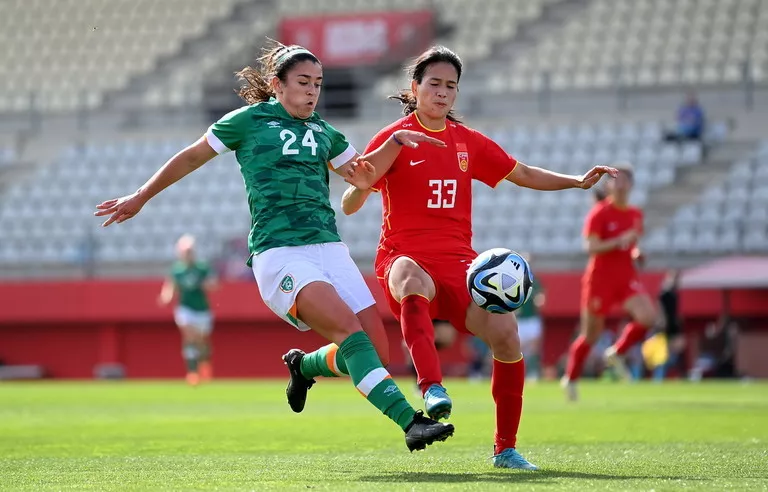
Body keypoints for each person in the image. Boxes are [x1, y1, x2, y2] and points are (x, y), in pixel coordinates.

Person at [95, 41, 454, 452]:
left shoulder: (323, 131)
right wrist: (141, 196)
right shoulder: (248, 121)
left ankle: (304, 365)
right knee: (350, 333)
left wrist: (396, 143)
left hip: (329, 248)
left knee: (377, 350)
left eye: (318, 83)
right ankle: (410, 422)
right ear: (276, 85)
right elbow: (192, 157)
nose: (312, 91)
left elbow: (361, 177)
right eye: (303, 82)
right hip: (280, 252)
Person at [340, 45, 616, 469]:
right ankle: (431, 386)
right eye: (434, 84)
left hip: (459, 262)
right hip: (402, 254)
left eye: (451, 86)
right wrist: (361, 183)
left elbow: (520, 172)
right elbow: (350, 202)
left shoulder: (466, 142)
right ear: (415, 88)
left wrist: (577, 182)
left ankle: (505, 449)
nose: (443, 93)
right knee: (411, 280)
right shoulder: (395, 136)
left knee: (508, 337)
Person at [562, 163, 657, 401]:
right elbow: (591, 246)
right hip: (600, 280)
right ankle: (571, 379)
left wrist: (636, 252)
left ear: (631, 184)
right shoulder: (599, 213)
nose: (620, 183)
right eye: (615, 179)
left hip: (626, 277)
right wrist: (618, 241)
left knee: (648, 317)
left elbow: (633, 243)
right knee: (590, 335)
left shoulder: (636, 214)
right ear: (608, 185)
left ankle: (617, 352)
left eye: (624, 178)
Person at [159, 234, 217, 386]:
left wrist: (206, 284)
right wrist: (166, 297)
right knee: (189, 336)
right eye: (185, 252)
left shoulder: (202, 267)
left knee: (202, 341)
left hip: (202, 309)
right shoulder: (177, 270)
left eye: (190, 251)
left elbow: (214, 284)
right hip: (185, 309)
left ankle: (204, 363)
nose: (188, 254)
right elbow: (171, 286)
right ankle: (192, 372)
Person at [516, 253, 545, 381]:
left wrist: (540, 300)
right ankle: (519, 374)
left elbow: (540, 297)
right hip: (520, 320)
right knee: (519, 349)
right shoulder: (516, 280)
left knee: (534, 348)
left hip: (532, 318)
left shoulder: (535, 281)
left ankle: (533, 373)